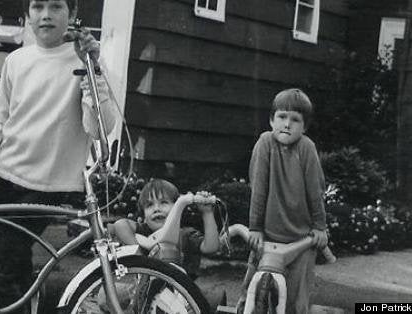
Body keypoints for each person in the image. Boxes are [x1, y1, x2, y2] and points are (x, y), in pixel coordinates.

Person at [0, 0, 118, 310]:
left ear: (72, 15)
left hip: (50, 187)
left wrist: (92, 69)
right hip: (7, 180)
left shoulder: (84, 59)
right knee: (14, 270)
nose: (45, 15)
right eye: (37, 6)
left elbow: (98, 128)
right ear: (27, 14)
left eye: (56, 7)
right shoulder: (16, 61)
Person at [240, 88, 328, 313]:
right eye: (282, 117)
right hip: (267, 235)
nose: (287, 124)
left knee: (296, 300)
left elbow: (315, 190)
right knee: (252, 291)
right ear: (271, 120)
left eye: (295, 119)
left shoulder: (306, 148)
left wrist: (319, 227)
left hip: (301, 238)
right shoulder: (265, 143)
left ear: (304, 127)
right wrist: (255, 228)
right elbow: (258, 187)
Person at [110, 179, 221, 274]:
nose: (156, 209)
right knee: (103, 295)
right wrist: (140, 258)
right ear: (143, 215)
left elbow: (210, 247)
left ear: (177, 208)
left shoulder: (185, 234)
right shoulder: (144, 232)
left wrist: (207, 213)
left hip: (179, 293)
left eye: (163, 202)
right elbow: (120, 225)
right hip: (145, 293)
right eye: (149, 205)